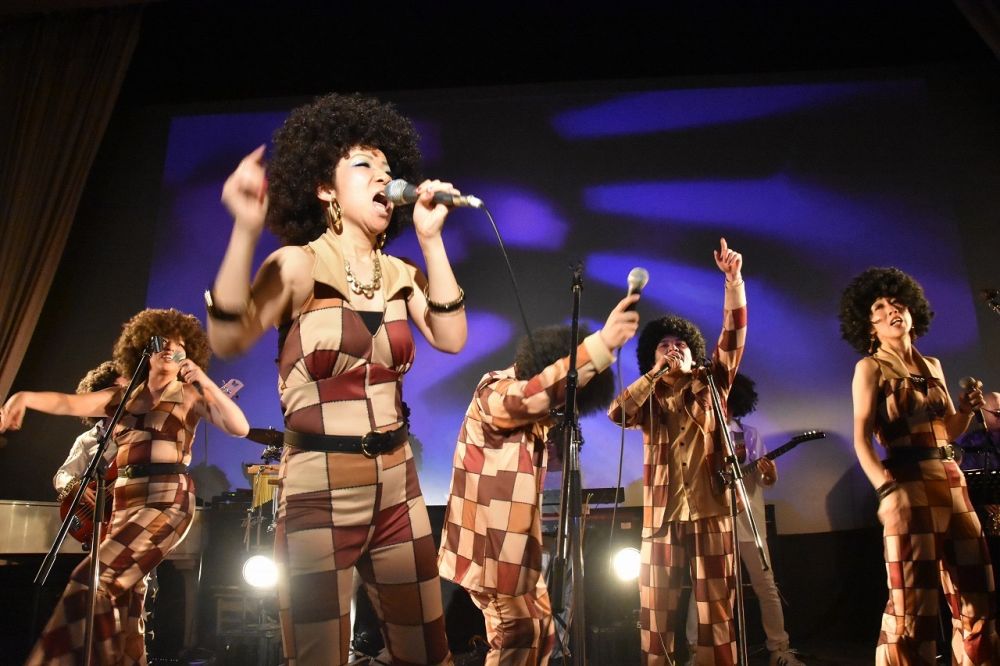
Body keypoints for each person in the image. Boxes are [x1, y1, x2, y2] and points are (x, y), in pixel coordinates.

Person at [208, 92, 467, 665]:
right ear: (326, 189)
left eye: (389, 169)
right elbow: (228, 339)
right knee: (317, 654)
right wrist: (245, 230)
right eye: (364, 165)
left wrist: (431, 240)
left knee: (428, 651)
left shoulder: (401, 273)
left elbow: (452, 337)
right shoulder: (299, 264)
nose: (384, 178)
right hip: (318, 488)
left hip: (396, 484)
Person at [0, 307, 249, 665]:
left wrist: (205, 382)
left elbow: (239, 427)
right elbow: (67, 403)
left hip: (167, 499)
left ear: (188, 352)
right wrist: (23, 397)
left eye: (178, 344)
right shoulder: (123, 398)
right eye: (161, 341)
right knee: (126, 604)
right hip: (124, 502)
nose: (169, 348)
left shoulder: (189, 395)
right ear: (143, 348)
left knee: (93, 579)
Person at [438, 296, 639, 666]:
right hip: (490, 552)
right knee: (517, 632)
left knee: (542, 630)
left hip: (514, 553)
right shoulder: (494, 389)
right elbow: (529, 397)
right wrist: (601, 344)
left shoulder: (536, 421)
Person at [839, 266, 999, 664]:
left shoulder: (933, 365)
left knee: (978, 594)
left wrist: (965, 411)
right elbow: (861, 439)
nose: (892, 310)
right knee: (913, 608)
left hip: (952, 482)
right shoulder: (870, 368)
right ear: (869, 326)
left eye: (898, 303)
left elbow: (949, 431)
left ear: (913, 311)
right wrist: (886, 490)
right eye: (879, 307)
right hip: (908, 485)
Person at [608, 238, 745, 666]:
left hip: (711, 510)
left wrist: (734, 283)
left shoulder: (711, 382)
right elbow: (617, 412)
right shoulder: (647, 398)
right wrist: (653, 374)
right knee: (655, 617)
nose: (673, 349)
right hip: (661, 517)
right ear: (651, 357)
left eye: (681, 344)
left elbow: (733, 336)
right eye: (664, 345)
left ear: (693, 352)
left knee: (717, 613)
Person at [683, 373, 804, 666]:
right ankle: (696, 651)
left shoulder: (748, 435)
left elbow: (764, 480)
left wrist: (769, 474)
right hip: (714, 523)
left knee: (766, 586)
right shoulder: (700, 433)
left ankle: (779, 649)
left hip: (749, 524)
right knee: (704, 587)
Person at [53, 361, 123, 502]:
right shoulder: (87, 440)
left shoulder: (145, 430)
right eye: (116, 388)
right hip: (102, 511)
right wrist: (75, 487)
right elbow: (61, 475)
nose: (122, 394)